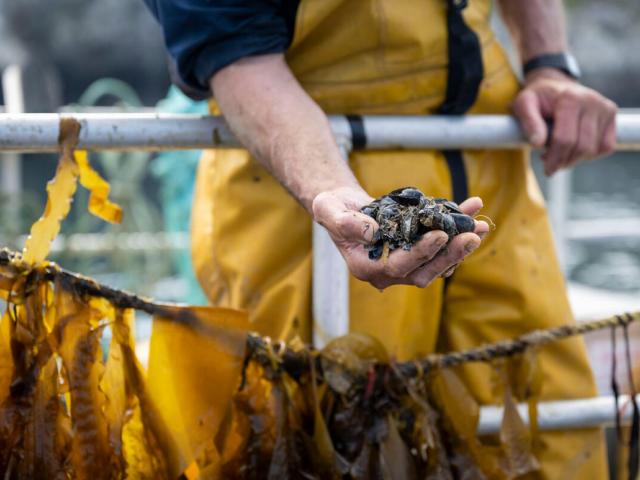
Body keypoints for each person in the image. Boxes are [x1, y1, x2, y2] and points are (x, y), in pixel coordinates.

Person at [144, 0, 617, 477]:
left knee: (554, 433)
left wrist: (548, 65)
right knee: (322, 436)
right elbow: (233, 48)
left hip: (494, 161)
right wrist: (330, 189)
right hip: (309, 181)